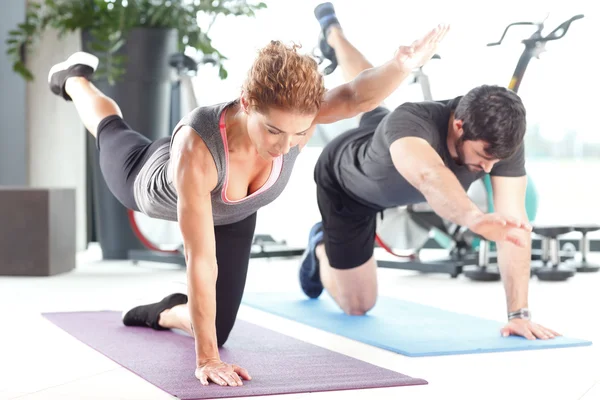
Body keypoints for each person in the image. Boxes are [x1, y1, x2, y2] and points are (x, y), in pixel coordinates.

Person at [47, 9, 449, 388]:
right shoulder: (198, 149)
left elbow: (357, 97)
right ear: (247, 102)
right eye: (273, 131)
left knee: (218, 332)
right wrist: (205, 360)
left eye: (299, 133)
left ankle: (164, 311)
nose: (286, 145)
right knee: (110, 128)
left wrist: (402, 65)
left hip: (236, 213)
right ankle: (74, 80)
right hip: (149, 181)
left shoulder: (296, 117)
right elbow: (201, 261)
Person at [301, 3, 560, 342]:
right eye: (483, 157)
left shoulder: (498, 143)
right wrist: (474, 218)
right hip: (348, 183)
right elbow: (430, 178)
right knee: (358, 305)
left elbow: (515, 223)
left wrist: (518, 314)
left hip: (383, 144)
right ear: (458, 125)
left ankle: (332, 33)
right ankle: (321, 244)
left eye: (497, 161)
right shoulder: (411, 123)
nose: (489, 169)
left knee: (370, 94)